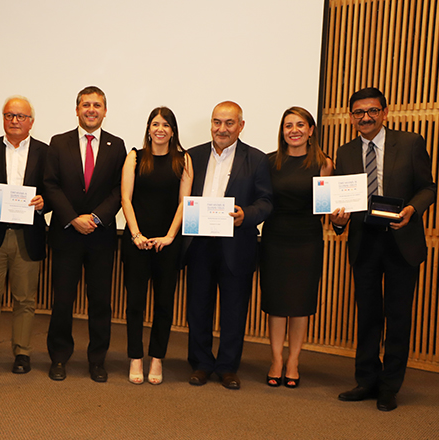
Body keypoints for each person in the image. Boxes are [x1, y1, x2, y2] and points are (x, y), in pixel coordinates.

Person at [331, 87, 435, 411]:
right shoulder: (345, 152)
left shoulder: (411, 143)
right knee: (368, 315)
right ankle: (366, 380)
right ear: (351, 117)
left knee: (398, 316)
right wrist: (337, 221)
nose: (366, 117)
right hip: (364, 242)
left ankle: (390, 386)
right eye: (358, 112)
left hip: (401, 241)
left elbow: (428, 187)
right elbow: (340, 201)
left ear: (385, 113)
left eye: (372, 111)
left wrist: (412, 210)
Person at [183, 101, 273, 390]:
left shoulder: (257, 159)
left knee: (234, 310)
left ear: (241, 126)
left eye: (229, 123)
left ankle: (227, 367)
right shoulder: (192, 156)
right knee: (198, 307)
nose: (222, 129)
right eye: (217, 122)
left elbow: (266, 201)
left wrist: (247, 215)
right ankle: (201, 364)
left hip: (237, 245)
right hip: (199, 244)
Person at [43, 86, 126, 382]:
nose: (91, 110)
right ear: (77, 110)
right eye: (86, 105)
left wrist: (95, 218)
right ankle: (59, 357)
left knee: (100, 302)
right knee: (62, 300)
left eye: (97, 105)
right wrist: (72, 218)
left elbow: (119, 189)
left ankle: (97, 360)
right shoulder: (58, 142)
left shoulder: (116, 146)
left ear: (105, 111)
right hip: (66, 234)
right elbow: (50, 184)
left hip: (100, 236)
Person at [0, 96, 49, 375]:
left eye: (21, 116)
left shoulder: (45, 151)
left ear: (31, 121)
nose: (15, 120)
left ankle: (22, 352)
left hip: (27, 236)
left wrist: (45, 202)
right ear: (3, 118)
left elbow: (53, 189)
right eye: (9, 115)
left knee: (25, 299)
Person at [260, 107, 333, 388]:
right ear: (282, 131)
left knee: (300, 303)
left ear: (311, 130)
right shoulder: (269, 162)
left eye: (300, 125)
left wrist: (339, 216)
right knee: (277, 303)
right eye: (288, 125)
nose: (294, 130)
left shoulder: (324, 164)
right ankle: (276, 359)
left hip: (307, 240)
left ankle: (294, 361)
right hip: (275, 239)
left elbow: (324, 208)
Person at [121, 107, 193, 385]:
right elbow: (126, 199)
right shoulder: (134, 157)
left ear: (173, 131)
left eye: (165, 125)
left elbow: (184, 203)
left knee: (164, 303)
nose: (160, 129)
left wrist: (170, 236)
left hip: (168, 244)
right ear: (148, 129)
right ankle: (135, 357)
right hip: (137, 242)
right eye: (155, 124)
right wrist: (136, 234)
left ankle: (157, 358)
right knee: (135, 303)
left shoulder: (183, 160)